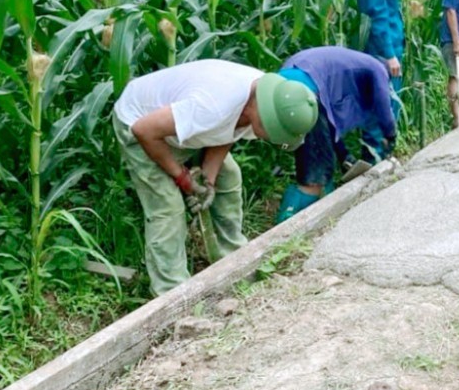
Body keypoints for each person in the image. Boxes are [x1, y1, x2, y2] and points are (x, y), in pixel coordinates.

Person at [112, 60, 318, 296]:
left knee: (228, 177)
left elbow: (228, 130)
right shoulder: (213, 106)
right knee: (168, 207)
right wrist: (181, 177)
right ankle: (171, 292)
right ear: (264, 116)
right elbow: (144, 130)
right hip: (141, 125)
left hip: (184, 126)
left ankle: (232, 258)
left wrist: (207, 179)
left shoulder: (266, 97)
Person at [275, 46, 397, 223]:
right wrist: (390, 136)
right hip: (303, 93)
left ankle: (313, 211)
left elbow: (328, 125)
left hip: (282, 88)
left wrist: (345, 156)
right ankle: (286, 226)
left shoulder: (346, 65)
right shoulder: (377, 68)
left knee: (315, 161)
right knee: (315, 176)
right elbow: (384, 107)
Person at [357, 0, 417, 158]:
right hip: (383, 50)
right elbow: (378, 16)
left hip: (388, 45)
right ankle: (375, 159)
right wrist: (390, 54)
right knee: (382, 104)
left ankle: (382, 156)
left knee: (384, 103)